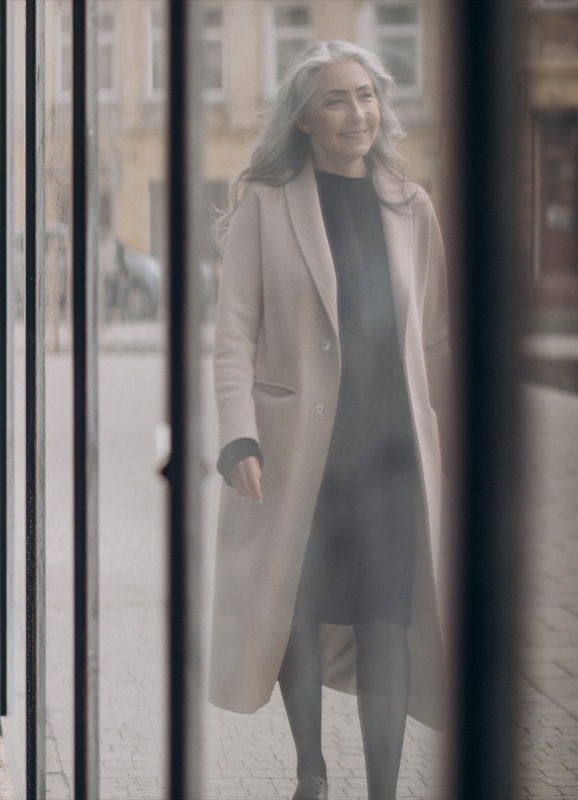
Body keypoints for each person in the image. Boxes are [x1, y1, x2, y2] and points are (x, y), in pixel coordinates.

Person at [210, 40, 450, 800]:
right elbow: (232, 335)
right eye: (339, 99)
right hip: (297, 453)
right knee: (299, 614)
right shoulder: (266, 203)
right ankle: (311, 772)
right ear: (305, 119)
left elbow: (437, 340)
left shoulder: (412, 208)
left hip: (391, 456)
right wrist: (237, 434)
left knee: (387, 620)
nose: (359, 113)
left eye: (368, 96)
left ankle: (383, 787)